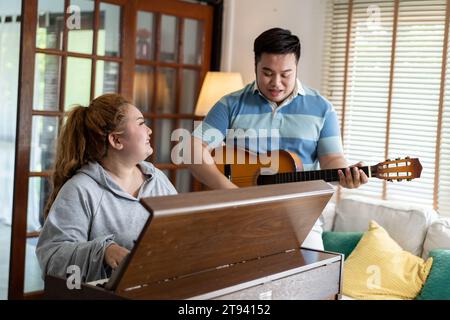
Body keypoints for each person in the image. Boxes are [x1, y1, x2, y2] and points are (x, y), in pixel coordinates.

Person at [190, 27, 368, 250]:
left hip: (301, 219)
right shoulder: (230, 104)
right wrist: (229, 191)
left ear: (296, 68)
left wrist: (347, 174)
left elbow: (332, 160)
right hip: (239, 216)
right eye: (267, 73)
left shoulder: (323, 109)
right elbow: (192, 149)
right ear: (255, 65)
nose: (276, 83)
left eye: (285, 74)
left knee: (311, 279)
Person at [36, 93, 177, 283]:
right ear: (116, 141)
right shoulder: (81, 189)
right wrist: (103, 251)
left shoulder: (157, 179)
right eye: (141, 123)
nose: (149, 130)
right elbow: (52, 259)